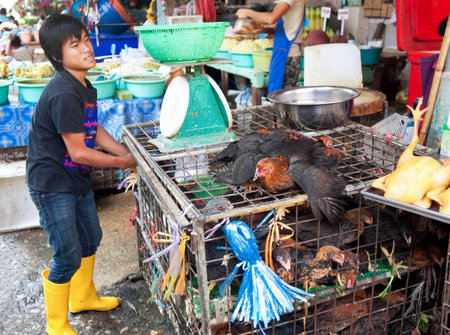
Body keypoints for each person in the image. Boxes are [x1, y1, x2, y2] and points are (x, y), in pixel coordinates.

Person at [26, 14, 136, 335]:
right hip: (52, 184)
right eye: (76, 45)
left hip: (75, 179)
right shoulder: (62, 92)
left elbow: (93, 129)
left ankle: (83, 297)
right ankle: (57, 324)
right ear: (58, 57)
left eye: (86, 40)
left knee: (91, 238)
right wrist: (124, 163)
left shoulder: (84, 85)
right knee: (67, 253)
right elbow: (78, 151)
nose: (87, 48)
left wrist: (124, 152)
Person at [236, 0, 306, 93]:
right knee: (279, 97)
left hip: (288, 55)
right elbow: (287, 26)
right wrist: (263, 29)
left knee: (282, 98)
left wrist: (247, 12)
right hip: (283, 52)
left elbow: (271, 18)